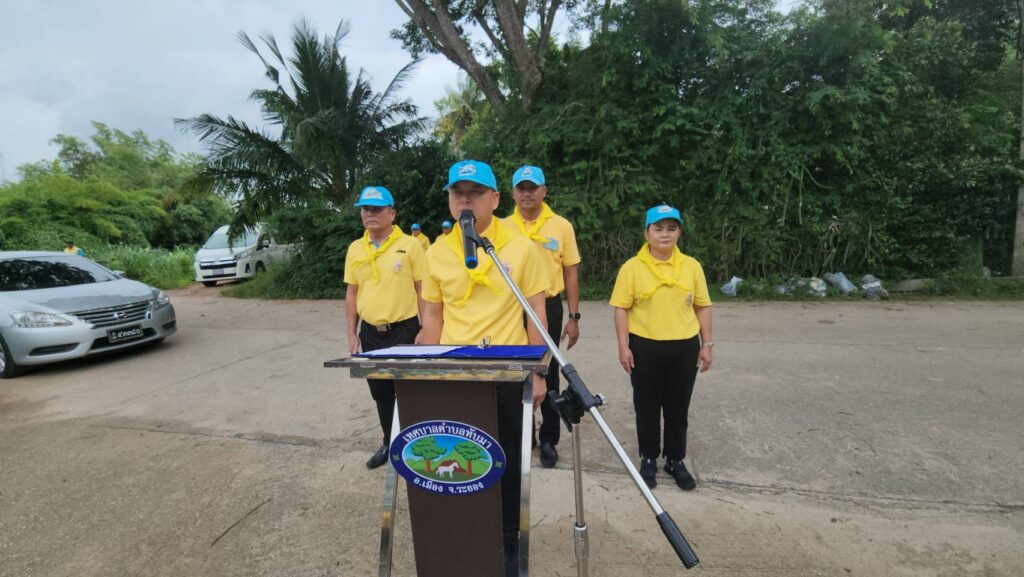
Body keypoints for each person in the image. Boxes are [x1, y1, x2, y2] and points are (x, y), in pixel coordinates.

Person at [419, 159, 549, 576]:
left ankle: (509, 537)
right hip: (456, 376)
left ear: (494, 199)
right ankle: (465, 532)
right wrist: (427, 374)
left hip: (508, 371)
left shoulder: (520, 247)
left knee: (508, 460)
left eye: (475, 193)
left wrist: (539, 372)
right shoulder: (436, 253)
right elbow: (432, 317)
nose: (466, 200)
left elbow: (536, 311)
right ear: (449, 200)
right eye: (458, 193)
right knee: (460, 456)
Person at [609, 205, 713, 491]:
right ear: (647, 233)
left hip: (684, 347)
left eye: (671, 228)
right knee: (646, 406)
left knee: (678, 407)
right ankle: (649, 458)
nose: (665, 234)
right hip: (645, 346)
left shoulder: (691, 266)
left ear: (679, 232)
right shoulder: (632, 268)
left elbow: (702, 306)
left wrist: (707, 344)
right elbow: (621, 309)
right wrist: (623, 346)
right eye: (658, 228)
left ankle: (675, 460)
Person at [344, 186, 426, 469]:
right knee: (381, 392)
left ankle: (416, 446)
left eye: (377, 209)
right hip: (371, 333)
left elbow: (423, 290)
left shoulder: (410, 245)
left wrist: (425, 329)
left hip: (405, 330)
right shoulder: (355, 248)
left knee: (411, 391)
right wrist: (351, 333)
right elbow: (352, 292)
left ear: (392, 213)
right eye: (365, 209)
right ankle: (389, 443)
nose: (370, 214)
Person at [504, 165, 581, 468]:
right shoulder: (502, 227)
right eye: (521, 188)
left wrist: (574, 317)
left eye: (532, 187)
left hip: (547, 305)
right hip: (511, 307)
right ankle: (525, 433)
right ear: (512, 193)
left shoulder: (561, 226)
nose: (527, 193)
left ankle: (549, 437)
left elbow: (570, 273)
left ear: (544, 191)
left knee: (547, 372)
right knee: (515, 370)